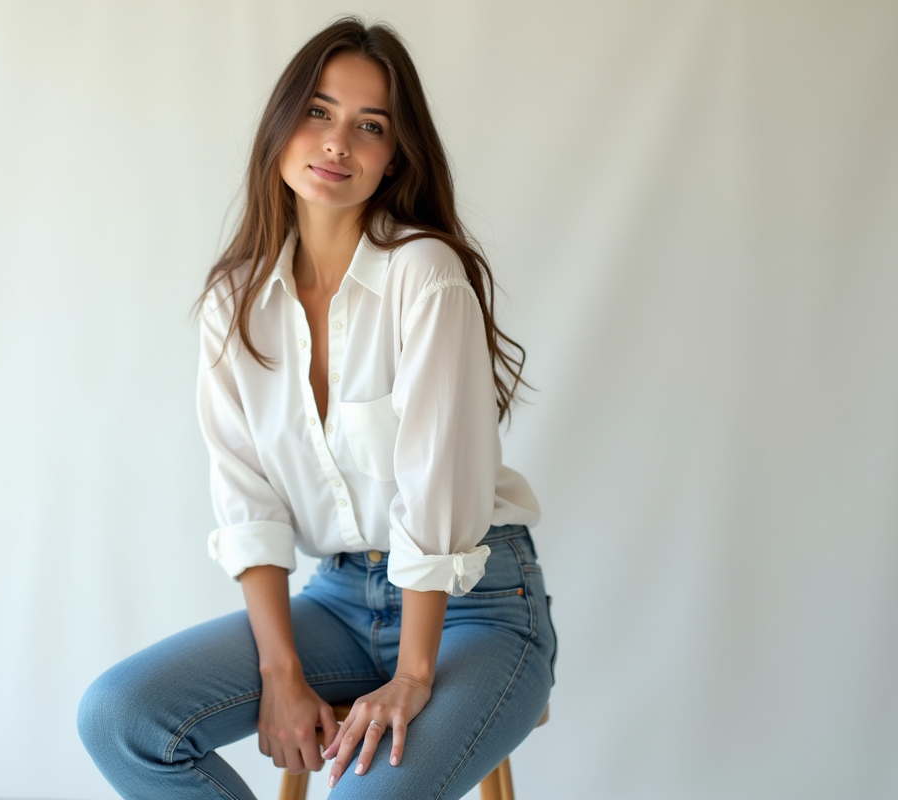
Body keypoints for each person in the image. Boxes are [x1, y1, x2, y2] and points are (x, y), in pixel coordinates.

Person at [78, 16, 556, 800]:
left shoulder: (424, 276)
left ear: (393, 156)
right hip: (336, 601)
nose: (338, 143)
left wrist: (413, 677)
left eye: (370, 126)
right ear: (282, 124)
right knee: (120, 716)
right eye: (319, 112)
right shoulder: (234, 303)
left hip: (477, 611)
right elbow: (250, 506)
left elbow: (438, 494)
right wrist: (280, 673)